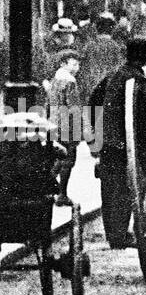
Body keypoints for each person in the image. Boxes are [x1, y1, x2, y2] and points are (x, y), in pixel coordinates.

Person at [89, 37, 146, 248]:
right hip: (125, 144)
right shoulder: (138, 81)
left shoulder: (113, 75)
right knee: (124, 189)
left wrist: (96, 136)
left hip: (108, 142)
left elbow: (92, 103)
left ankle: (114, 235)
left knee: (110, 189)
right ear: (145, 56)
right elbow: (141, 123)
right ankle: (121, 235)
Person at [45, 48, 83, 206]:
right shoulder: (70, 81)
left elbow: (48, 103)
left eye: (77, 64)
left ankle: (49, 188)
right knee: (68, 160)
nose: (76, 68)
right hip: (67, 125)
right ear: (63, 64)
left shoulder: (54, 80)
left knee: (58, 157)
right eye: (73, 64)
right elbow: (74, 106)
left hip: (54, 122)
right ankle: (62, 194)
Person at [79, 11, 124, 105]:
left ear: (97, 28)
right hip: (107, 89)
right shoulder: (115, 47)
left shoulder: (89, 46)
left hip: (90, 87)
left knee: (92, 117)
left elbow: (83, 68)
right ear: (112, 29)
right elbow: (118, 69)